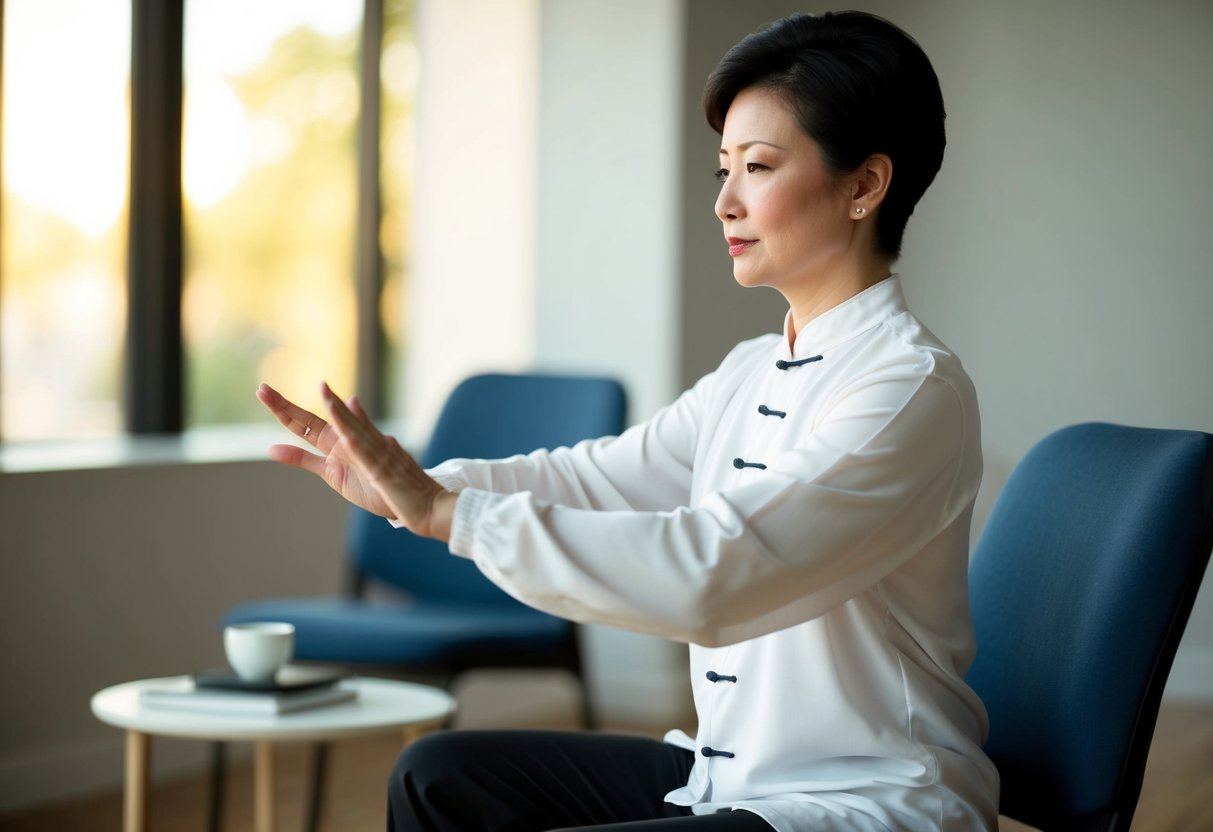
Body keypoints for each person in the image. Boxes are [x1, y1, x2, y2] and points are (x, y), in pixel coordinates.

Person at [257, 10, 999, 831]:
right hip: (733, 777)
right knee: (440, 776)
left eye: (757, 166)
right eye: (723, 168)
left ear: (863, 186)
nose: (724, 202)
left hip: (861, 799)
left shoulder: (908, 390)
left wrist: (452, 516)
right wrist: (419, 490)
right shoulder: (749, 371)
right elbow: (599, 478)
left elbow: (717, 572)